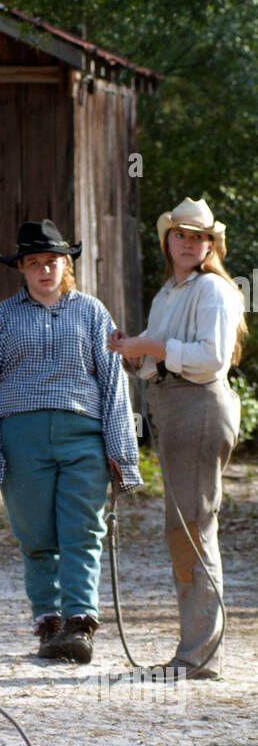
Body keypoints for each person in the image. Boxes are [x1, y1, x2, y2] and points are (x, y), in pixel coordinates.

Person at [0, 220, 141, 664]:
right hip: (21, 440)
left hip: (84, 435)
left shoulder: (93, 313)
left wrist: (120, 450)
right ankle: (48, 624)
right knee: (36, 535)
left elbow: (114, 384)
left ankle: (80, 625)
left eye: (53, 262)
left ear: (67, 265)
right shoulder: (0, 320)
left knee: (82, 530)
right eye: (35, 263)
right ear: (21, 268)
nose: (45, 271)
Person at [107, 197, 247, 680]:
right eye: (180, 235)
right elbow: (155, 360)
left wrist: (150, 346)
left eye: (198, 236)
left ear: (211, 245)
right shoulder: (169, 292)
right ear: (168, 240)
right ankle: (196, 649)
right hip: (174, 408)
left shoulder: (214, 290)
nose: (188, 243)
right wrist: (132, 352)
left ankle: (200, 654)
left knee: (192, 528)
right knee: (184, 527)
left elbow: (212, 359)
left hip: (199, 405)